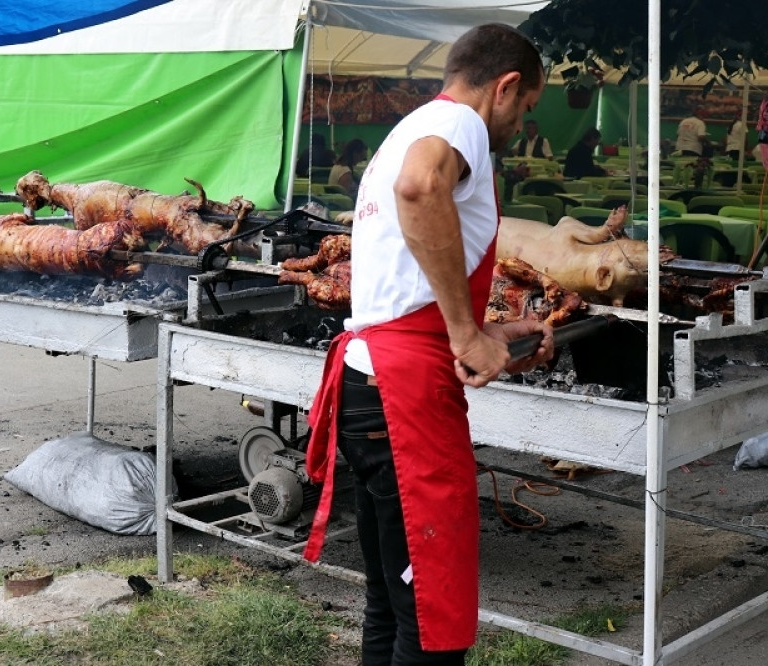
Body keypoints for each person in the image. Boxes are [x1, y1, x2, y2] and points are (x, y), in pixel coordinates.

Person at [301, 23, 553, 666]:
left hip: (373, 381)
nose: (520, 127)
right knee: (431, 615)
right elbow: (420, 189)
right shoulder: (461, 124)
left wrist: (484, 328)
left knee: (394, 602)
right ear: (507, 86)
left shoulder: (409, 128)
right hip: (402, 394)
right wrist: (466, 333)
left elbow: (401, 293)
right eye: (525, 111)